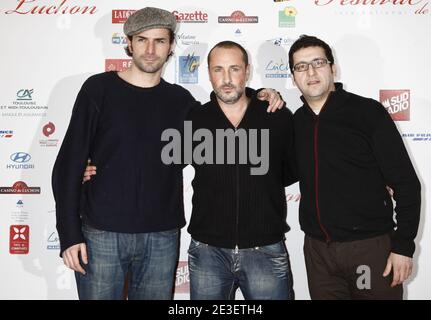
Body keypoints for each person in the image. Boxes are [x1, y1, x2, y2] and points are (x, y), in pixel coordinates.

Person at [52, 7, 283, 300]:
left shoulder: (181, 101)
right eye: (142, 40)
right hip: (102, 234)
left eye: (159, 41)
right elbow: (67, 167)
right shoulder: (98, 89)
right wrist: (70, 234)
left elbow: (223, 115)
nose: (150, 49)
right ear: (129, 43)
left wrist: (261, 94)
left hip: (162, 237)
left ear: (171, 45)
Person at [288, 35, 421, 299]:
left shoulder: (367, 113)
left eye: (318, 63)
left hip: (368, 251)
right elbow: (284, 173)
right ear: (293, 77)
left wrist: (403, 247)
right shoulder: (296, 122)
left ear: (332, 68)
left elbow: (406, 184)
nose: (311, 72)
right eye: (301, 66)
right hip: (319, 254)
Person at [186, 41, 296, 300]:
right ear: (208, 72)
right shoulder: (194, 119)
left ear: (247, 71)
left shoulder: (276, 116)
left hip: (265, 249)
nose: (226, 78)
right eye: (218, 69)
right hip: (207, 251)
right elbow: (159, 163)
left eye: (234, 69)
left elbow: (291, 172)